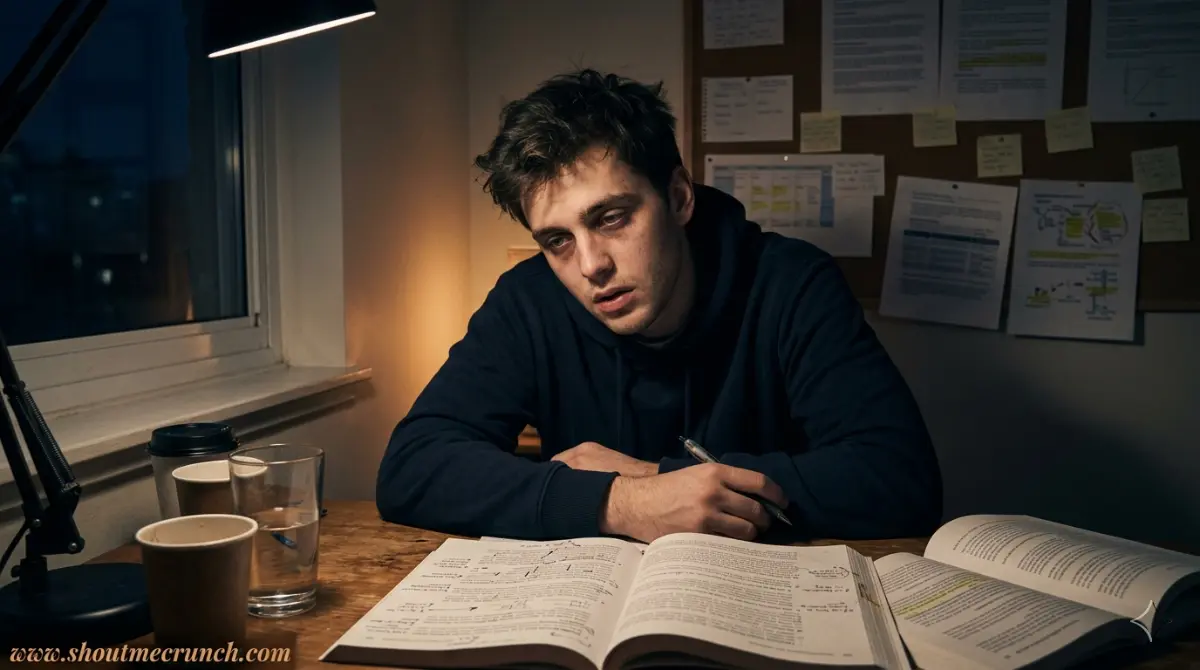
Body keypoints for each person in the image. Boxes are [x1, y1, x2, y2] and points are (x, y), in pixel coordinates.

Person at [376, 69, 942, 544]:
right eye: (558, 240)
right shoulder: (527, 300)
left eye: (611, 218)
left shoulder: (792, 283)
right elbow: (412, 467)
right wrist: (620, 503)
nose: (591, 265)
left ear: (677, 197)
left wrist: (656, 480)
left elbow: (901, 480)